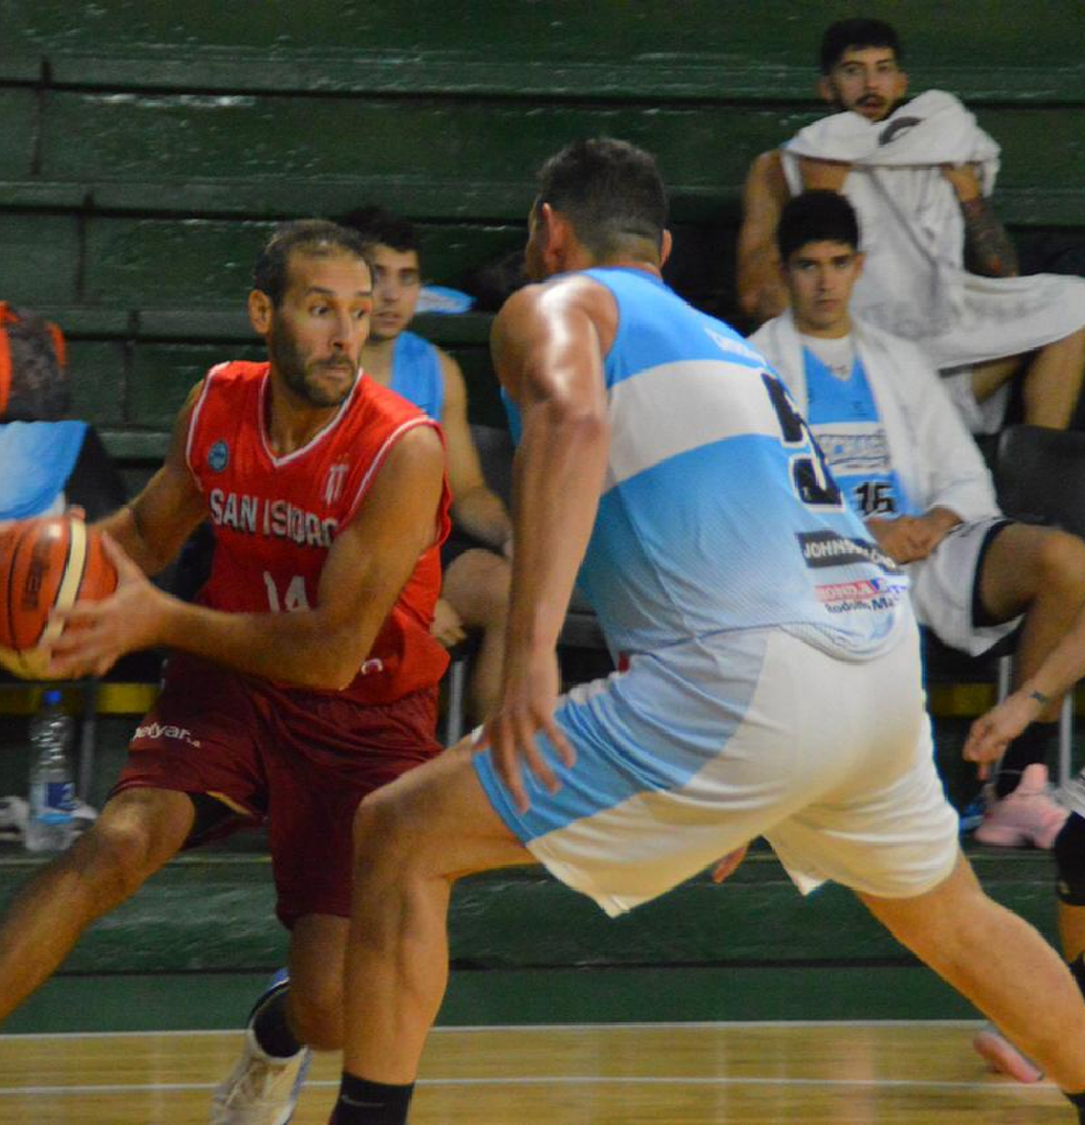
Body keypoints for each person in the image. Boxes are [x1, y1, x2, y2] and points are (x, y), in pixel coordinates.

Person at [327, 137, 1085, 1125]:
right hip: (870, 657)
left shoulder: (557, 303)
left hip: (749, 676)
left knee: (398, 834)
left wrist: (532, 656)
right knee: (952, 918)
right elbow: (706, 542)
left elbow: (569, 420)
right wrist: (737, 786)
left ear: (547, 231)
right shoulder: (727, 346)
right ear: (664, 246)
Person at [0, 219, 451, 1125]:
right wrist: (39, 566)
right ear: (264, 312)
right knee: (123, 837)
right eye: (321, 308)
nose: (344, 334)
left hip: (361, 713)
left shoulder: (402, 450)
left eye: (360, 314)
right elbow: (145, 535)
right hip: (230, 681)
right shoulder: (217, 404)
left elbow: (328, 650)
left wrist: (162, 617)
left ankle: (276, 1031)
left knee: (330, 1007)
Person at [750, 190, 1085, 1083]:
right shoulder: (752, 367)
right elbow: (757, 505)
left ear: (859, 267)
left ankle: (1023, 779)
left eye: (838, 262)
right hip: (820, 567)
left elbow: (965, 478)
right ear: (786, 275)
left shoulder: (896, 361)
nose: (825, 281)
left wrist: (929, 521)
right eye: (808, 265)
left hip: (922, 554)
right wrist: (867, 539)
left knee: (1062, 562)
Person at [736, 18, 1085, 434]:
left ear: (901, 83)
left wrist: (969, 194)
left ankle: (1038, 478)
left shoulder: (940, 151)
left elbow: (1002, 270)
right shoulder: (780, 167)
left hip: (946, 354)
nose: (870, 84)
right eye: (853, 71)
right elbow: (758, 300)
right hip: (854, 368)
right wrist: (816, 204)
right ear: (826, 87)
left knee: (1074, 302)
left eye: (882, 69)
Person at [337, 205, 513, 721]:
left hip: (417, 549)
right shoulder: (317, 370)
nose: (393, 295)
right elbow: (321, 521)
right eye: (377, 277)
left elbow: (468, 492)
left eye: (407, 278)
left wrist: (512, 536)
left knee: (515, 592)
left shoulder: (438, 368)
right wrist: (404, 603)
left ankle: (493, 776)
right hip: (333, 554)